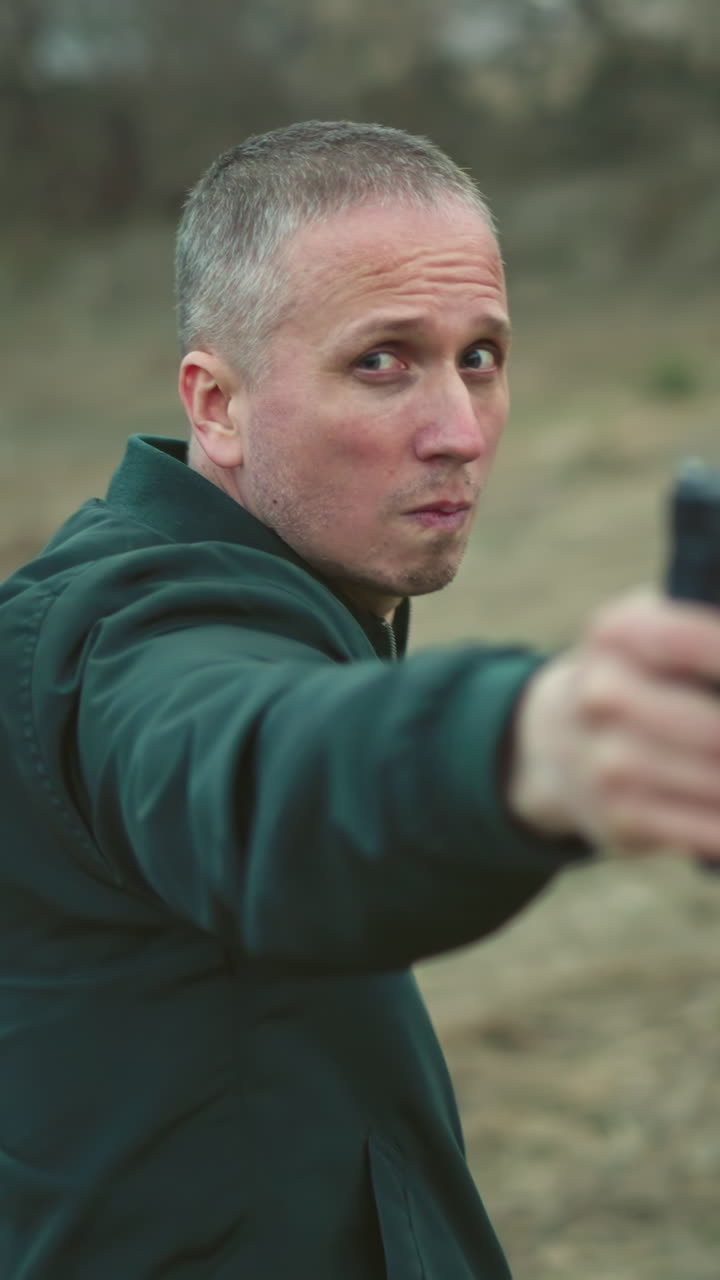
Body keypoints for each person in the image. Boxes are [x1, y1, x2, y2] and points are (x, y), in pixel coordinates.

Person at [2, 120, 720, 1280]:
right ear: (216, 403)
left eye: (479, 356)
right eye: (381, 360)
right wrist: (532, 743)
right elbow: (254, 775)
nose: (457, 434)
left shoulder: (303, 593)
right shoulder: (123, 630)